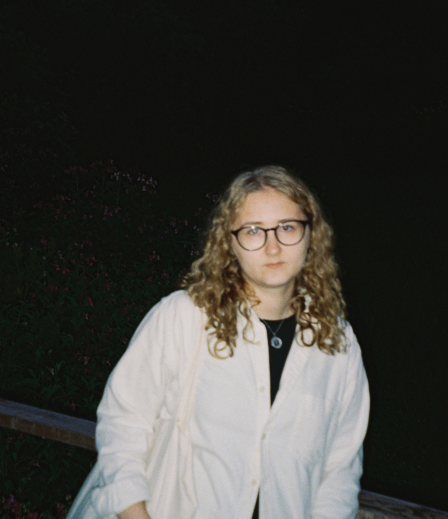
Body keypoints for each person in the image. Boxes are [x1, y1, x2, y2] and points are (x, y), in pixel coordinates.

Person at [71, 165, 370, 519]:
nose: (273, 246)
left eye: (287, 227)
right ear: (229, 242)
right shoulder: (184, 318)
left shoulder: (337, 344)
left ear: (311, 234)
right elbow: (123, 426)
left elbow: (339, 473)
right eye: (253, 231)